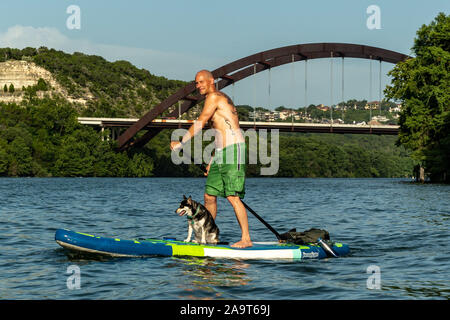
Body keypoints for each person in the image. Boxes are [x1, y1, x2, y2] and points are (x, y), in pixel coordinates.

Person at [170, 70, 252, 248]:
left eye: (201, 82)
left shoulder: (214, 97)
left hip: (233, 151)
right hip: (221, 153)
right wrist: (213, 159)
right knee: (209, 196)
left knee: (232, 196)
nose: (198, 86)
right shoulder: (213, 99)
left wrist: (181, 142)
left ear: (211, 81)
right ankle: (206, 235)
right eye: (196, 83)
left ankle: (246, 238)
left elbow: (200, 122)